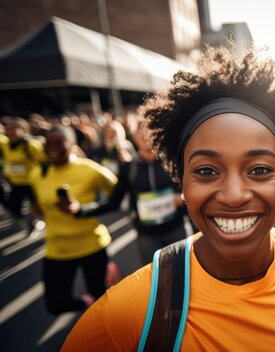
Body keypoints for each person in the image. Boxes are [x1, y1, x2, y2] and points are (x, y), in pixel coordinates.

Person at [62, 46, 275, 351]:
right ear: (181, 182)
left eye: (259, 169)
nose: (234, 196)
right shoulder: (128, 312)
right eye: (206, 170)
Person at [57, 119, 190, 265]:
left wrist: (184, 197)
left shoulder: (173, 161)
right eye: (141, 131)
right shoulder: (129, 168)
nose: (146, 135)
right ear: (134, 137)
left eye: (150, 130)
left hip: (177, 229)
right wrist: (80, 210)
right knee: (157, 280)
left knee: (186, 273)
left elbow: (192, 187)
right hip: (147, 236)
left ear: (158, 134)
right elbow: (114, 201)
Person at [30, 125, 117, 314]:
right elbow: (37, 203)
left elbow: (117, 198)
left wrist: (82, 209)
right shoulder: (37, 174)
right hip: (57, 249)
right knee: (55, 305)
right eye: (48, 143)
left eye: (59, 143)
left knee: (103, 300)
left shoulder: (91, 170)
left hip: (92, 246)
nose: (52, 148)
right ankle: (85, 304)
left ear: (72, 144)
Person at [0, 117, 47, 234]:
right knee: (14, 208)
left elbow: (44, 163)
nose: (10, 132)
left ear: (24, 130)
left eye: (14, 129)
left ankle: (35, 223)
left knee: (36, 207)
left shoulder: (31, 145)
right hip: (15, 182)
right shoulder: (4, 144)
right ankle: (27, 220)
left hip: (32, 183)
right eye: (8, 129)